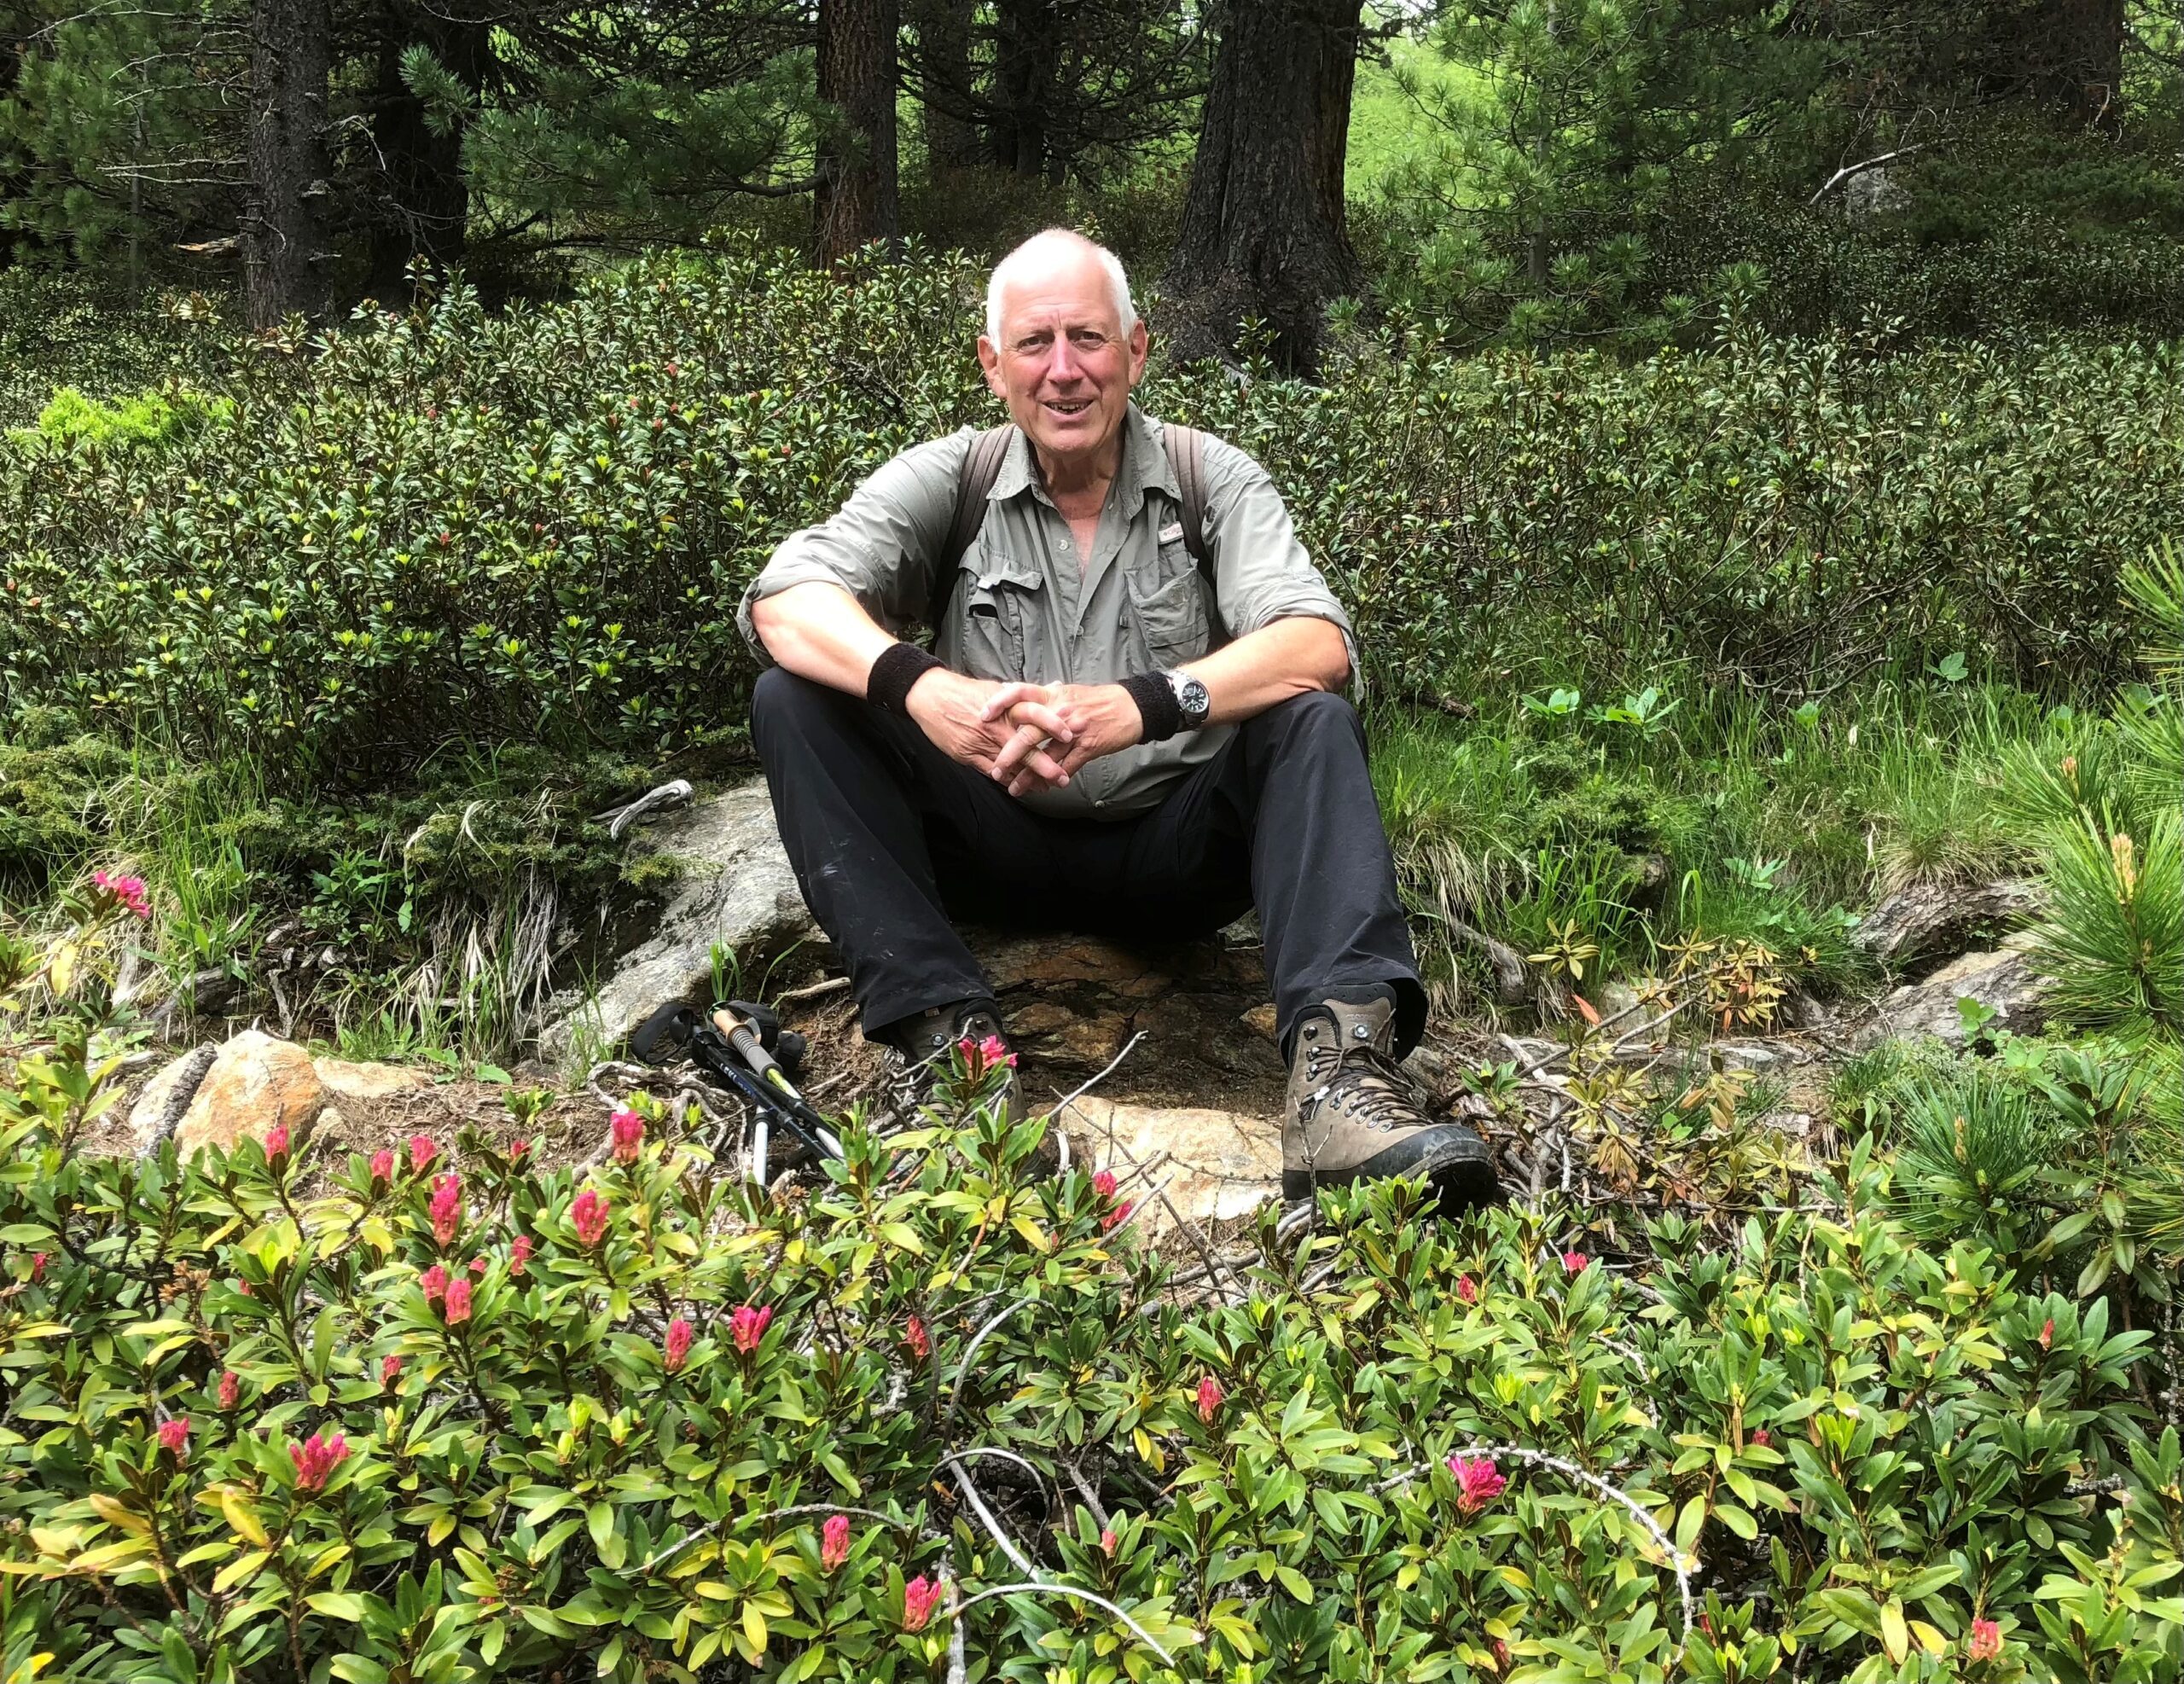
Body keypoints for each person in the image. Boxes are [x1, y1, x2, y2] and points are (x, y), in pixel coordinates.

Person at [741, 227, 1495, 1209]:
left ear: (1136, 350)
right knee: (793, 696)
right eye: (1034, 344)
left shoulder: (1207, 477)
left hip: (1177, 860)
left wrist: (1145, 705)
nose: (1064, 372)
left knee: (1308, 720)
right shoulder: (950, 479)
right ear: (991, 364)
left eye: (1089, 341)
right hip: (992, 844)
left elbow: (1319, 642)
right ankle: (949, 1059)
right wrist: (924, 689)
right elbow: (783, 600)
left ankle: (1341, 1085)